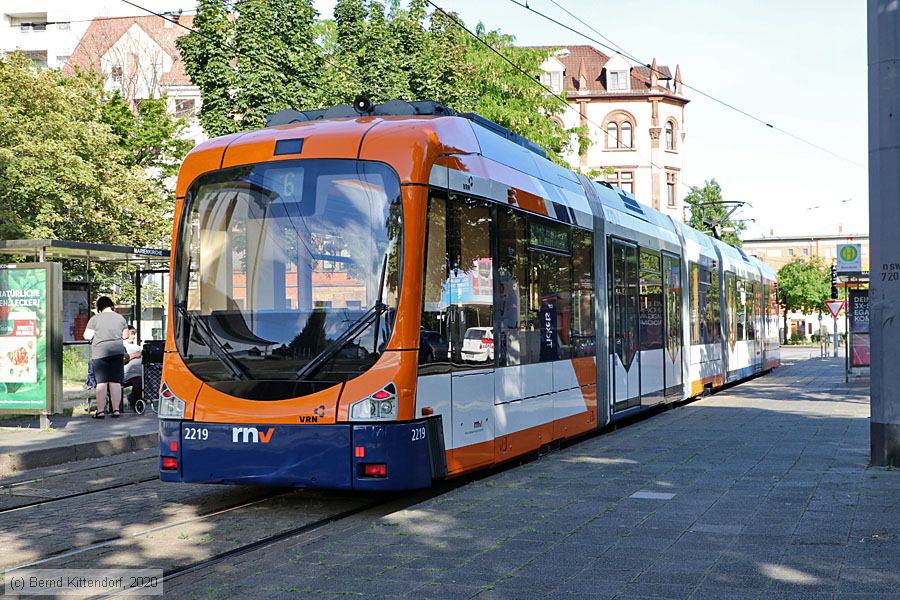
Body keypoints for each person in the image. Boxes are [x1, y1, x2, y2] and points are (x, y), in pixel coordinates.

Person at [83, 296, 128, 418]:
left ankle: (100, 411)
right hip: (117, 352)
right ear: (111, 305)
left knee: (101, 382)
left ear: (99, 307)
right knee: (115, 381)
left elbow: (87, 336)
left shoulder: (95, 319)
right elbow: (125, 336)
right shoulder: (120, 318)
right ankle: (116, 410)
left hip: (100, 353)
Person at [123, 326, 143, 411]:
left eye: (134, 334)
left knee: (142, 380)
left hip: (138, 374)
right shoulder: (121, 346)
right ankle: (134, 401)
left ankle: (136, 401)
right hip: (125, 375)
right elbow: (121, 359)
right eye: (131, 333)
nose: (133, 336)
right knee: (138, 380)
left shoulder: (138, 347)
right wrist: (134, 355)